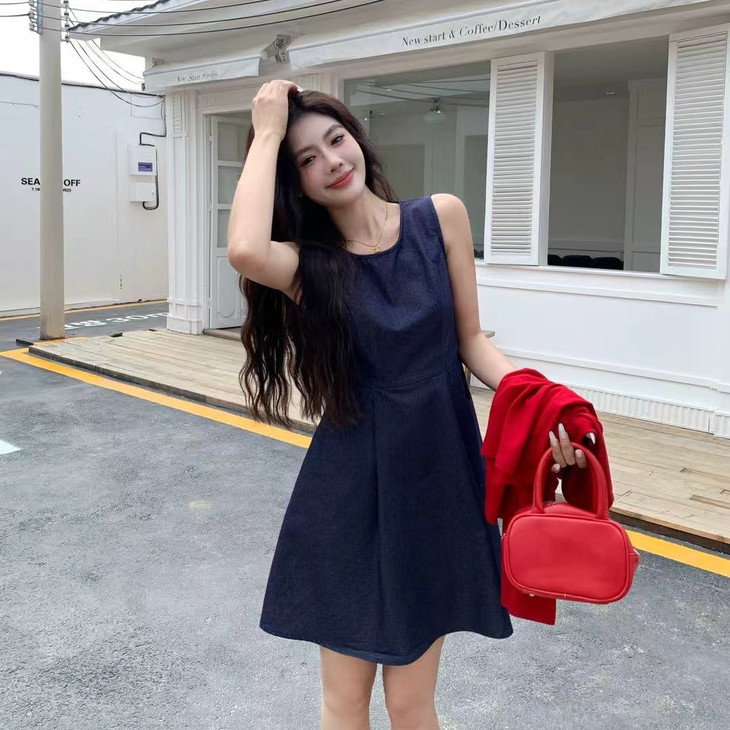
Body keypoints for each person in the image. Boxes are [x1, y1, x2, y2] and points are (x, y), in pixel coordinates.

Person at [227, 79, 593, 730]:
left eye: (336, 140)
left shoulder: (439, 217)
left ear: (358, 140)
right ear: (296, 184)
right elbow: (246, 250)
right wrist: (267, 130)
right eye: (306, 158)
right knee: (344, 701)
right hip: (347, 490)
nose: (331, 161)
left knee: (410, 702)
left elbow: (471, 342)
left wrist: (544, 410)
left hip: (434, 480)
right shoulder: (312, 266)